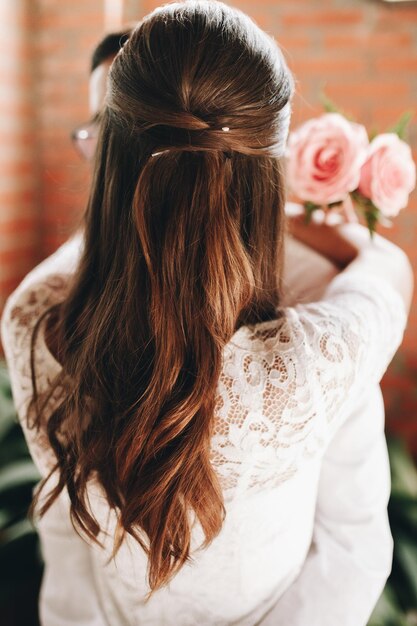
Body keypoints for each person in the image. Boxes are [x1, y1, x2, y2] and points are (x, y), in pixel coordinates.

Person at [0, 2, 413, 625]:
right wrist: (319, 227)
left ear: (108, 159)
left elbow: (66, 543)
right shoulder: (318, 356)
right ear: (268, 177)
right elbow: (353, 547)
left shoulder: (33, 324)